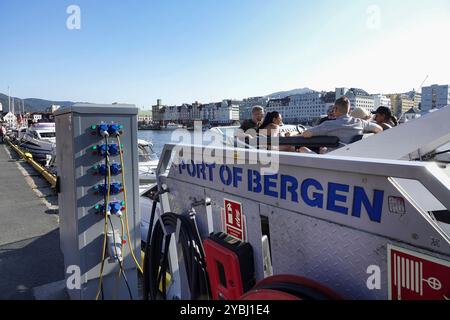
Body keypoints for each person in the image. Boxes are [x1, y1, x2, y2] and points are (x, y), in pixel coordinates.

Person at [301, 97, 383, 146]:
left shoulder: (329, 124)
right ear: (349, 110)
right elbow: (379, 129)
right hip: (353, 157)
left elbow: (306, 134)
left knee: (302, 149)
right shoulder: (360, 122)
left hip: (332, 159)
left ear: (335, 109)